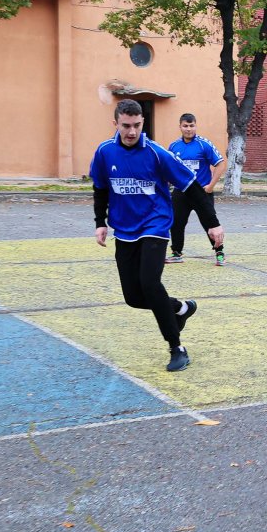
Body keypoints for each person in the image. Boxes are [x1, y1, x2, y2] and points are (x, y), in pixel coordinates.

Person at [90, 99, 224, 372]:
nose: (131, 131)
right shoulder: (105, 152)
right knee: (133, 296)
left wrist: (213, 223)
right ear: (115, 123)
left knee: (150, 284)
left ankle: (177, 347)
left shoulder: (156, 153)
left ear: (143, 123)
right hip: (124, 230)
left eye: (137, 125)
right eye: (126, 125)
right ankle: (181, 308)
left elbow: (191, 186)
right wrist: (100, 222)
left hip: (155, 225)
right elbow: (101, 188)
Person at [165, 113, 227, 266]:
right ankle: (177, 253)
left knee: (210, 223)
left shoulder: (203, 144)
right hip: (181, 191)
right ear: (180, 127)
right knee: (176, 222)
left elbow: (220, 164)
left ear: (196, 126)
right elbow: (168, 168)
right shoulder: (174, 146)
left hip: (202, 192)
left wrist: (211, 186)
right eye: (185, 126)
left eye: (191, 125)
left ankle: (219, 253)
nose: (188, 129)